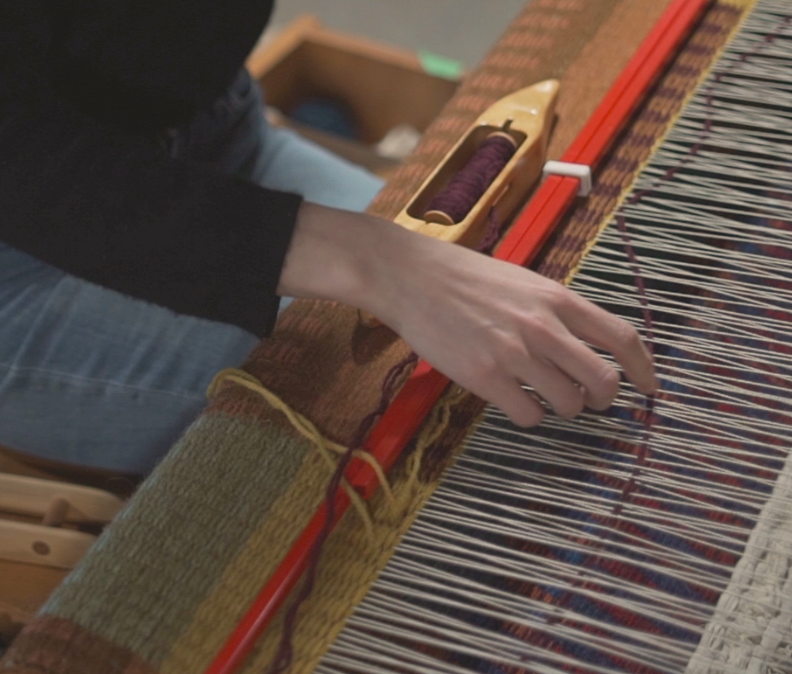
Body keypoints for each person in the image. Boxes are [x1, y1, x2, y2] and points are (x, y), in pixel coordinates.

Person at [0, 0, 656, 476]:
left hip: (209, 131)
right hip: (28, 245)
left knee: (519, 331)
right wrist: (380, 262)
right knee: (417, 416)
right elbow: (25, 164)